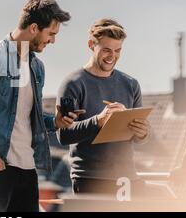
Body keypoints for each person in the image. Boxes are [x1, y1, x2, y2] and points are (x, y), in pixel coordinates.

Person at [0, 0, 79, 212]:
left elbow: (29, 118)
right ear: (33, 28)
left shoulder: (37, 68)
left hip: (27, 172)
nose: (53, 41)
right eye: (51, 33)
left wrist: (56, 122)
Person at [57, 18, 151, 198]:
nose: (112, 56)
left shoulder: (131, 84)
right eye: (106, 50)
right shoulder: (73, 84)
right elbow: (63, 135)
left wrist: (143, 132)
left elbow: (142, 138)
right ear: (91, 45)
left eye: (118, 51)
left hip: (128, 179)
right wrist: (99, 121)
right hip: (90, 179)